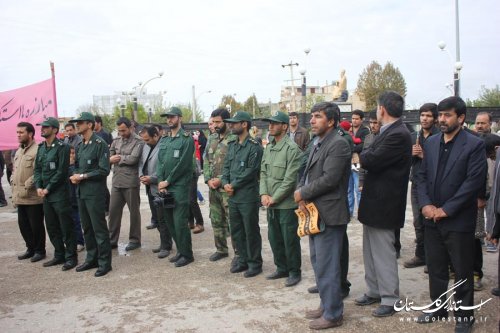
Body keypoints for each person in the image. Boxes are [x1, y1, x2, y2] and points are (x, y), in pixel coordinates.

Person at [416, 96, 487, 332]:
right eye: (441, 115)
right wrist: (426, 205)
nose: (442, 119)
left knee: (462, 270)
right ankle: (438, 308)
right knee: (435, 268)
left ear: (461, 117)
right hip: (432, 219)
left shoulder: (474, 145)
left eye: (448, 115)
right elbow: (421, 177)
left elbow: (472, 183)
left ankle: (464, 317)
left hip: (458, 220)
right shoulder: (432, 142)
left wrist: (446, 209)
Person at [295, 102, 351, 330]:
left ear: (331, 121)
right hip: (314, 212)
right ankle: (326, 305)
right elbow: (306, 173)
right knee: (319, 263)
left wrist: (302, 192)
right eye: (312, 116)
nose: (312, 120)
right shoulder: (318, 142)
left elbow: (330, 179)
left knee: (329, 266)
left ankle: (334, 314)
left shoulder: (338, 144)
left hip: (329, 213)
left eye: (318, 116)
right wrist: (301, 190)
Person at [355, 91, 412, 318]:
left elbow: (370, 158)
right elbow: (368, 153)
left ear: (382, 110)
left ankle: (390, 297)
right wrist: (366, 153)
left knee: (383, 252)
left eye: (377, 108)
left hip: (385, 203)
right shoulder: (388, 132)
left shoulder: (398, 134)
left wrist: (365, 154)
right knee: (369, 250)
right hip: (374, 202)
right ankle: (374, 290)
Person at [260, 111, 302, 287]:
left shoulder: (292, 150)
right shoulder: (269, 148)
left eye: (275, 123)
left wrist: (274, 198)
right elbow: (263, 173)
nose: (270, 126)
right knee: (274, 237)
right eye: (270, 123)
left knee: (289, 239)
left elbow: (290, 180)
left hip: (285, 204)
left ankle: (294, 271)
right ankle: (281, 267)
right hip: (270, 203)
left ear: (284, 126)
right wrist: (263, 194)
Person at [69, 112, 112, 277]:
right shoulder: (80, 145)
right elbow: (78, 166)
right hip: (81, 192)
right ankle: (91, 258)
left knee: (99, 229)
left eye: (80, 123)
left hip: (94, 193)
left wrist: (83, 176)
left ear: (89, 124)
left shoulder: (100, 143)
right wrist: (76, 174)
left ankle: (104, 263)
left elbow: (104, 170)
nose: (77, 125)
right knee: (86, 228)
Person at [222, 111, 263, 277]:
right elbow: (226, 168)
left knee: (250, 230)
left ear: (244, 124)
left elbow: (251, 171)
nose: (231, 125)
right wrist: (225, 183)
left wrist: (233, 184)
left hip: (247, 197)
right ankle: (243, 260)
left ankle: (255, 263)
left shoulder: (254, 147)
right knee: (237, 231)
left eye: (235, 123)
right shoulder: (232, 145)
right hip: (233, 197)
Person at [34, 117, 77, 271]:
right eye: (42, 127)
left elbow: (61, 172)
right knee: (51, 227)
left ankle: (71, 257)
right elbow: (37, 169)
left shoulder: (62, 147)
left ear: (54, 129)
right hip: (46, 194)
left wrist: (48, 188)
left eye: (46, 127)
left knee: (66, 227)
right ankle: (59, 255)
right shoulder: (41, 147)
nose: (42, 129)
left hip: (59, 194)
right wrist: (38, 186)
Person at [157, 107, 195, 267]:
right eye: (167, 118)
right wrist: (160, 181)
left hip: (179, 186)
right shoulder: (165, 140)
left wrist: (169, 181)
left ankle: (187, 254)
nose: (169, 120)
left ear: (179, 118)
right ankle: (180, 250)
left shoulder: (187, 139)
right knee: (170, 220)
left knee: (180, 221)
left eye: (172, 117)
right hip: (165, 186)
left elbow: (184, 164)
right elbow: (161, 162)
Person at [404, 103, 440, 269]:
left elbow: (441, 163)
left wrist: (423, 155)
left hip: (434, 184)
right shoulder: (414, 136)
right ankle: (421, 255)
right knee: (418, 221)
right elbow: (406, 162)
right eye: (422, 115)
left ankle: (434, 258)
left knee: (431, 221)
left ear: (435, 118)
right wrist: (411, 155)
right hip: (417, 183)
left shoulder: (439, 136)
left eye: (428, 116)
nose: (425, 119)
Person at [204, 108, 239, 263]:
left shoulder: (234, 139)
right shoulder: (211, 138)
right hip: (213, 188)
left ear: (226, 121)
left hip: (227, 188)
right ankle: (221, 249)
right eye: (214, 122)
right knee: (216, 220)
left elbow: (235, 165)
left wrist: (221, 179)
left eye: (218, 122)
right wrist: (207, 179)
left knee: (232, 221)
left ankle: (238, 253)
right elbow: (206, 160)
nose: (216, 125)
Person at [108, 117, 144, 251]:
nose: (121, 133)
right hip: (117, 181)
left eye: (123, 130)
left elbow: (133, 159)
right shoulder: (116, 140)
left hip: (131, 182)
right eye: (119, 131)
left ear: (131, 127)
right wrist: (114, 158)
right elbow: (109, 157)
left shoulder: (138, 141)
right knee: (113, 212)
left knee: (134, 213)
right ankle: (112, 240)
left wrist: (118, 158)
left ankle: (135, 240)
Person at [12, 122, 46, 262]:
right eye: (17, 132)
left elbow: (41, 170)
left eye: (21, 132)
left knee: (36, 225)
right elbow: (16, 169)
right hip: (20, 196)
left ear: (30, 134)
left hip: (32, 196)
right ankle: (30, 248)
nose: (18, 135)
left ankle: (39, 250)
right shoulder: (19, 150)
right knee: (23, 225)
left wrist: (29, 183)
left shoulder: (38, 150)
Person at [139, 126, 173, 258]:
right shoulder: (146, 146)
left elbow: (166, 167)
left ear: (155, 135)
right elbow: (141, 163)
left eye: (147, 139)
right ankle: (164, 243)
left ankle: (166, 246)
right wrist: (141, 175)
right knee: (157, 219)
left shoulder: (164, 146)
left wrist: (152, 178)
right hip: (149, 187)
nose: (145, 142)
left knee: (163, 219)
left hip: (159, 187)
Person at [348, 110, 369, 217]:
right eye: (353, 118)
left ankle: (362, 212)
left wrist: (350, 148)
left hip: (358, 162)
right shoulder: (348, 130)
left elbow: (363, 145)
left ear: (361, 120)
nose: (354, 121)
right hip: (347, 162)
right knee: (348, 189)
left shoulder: (365, 131)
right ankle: (349, 212)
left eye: (356, 119)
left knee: (358, 188)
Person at [94, 115, 112, 216]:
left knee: (103, 185)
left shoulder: (105, 134)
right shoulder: (93, 134)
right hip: (95, 164)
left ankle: (107, 207)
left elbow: (109, 148)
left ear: (99, 123)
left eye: (94, 122)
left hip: (104, 163)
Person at [68, 146, 85, 252]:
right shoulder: (63, 165)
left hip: (78, 197)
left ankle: (80, 241)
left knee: (78, 220)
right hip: (68, 198)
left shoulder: (77, 166)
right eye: (70, 153)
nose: (72, 155)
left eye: (73, 153)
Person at [188, 131, 205, 234]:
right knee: (187, 200)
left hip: (192, 173)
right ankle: (190, 221)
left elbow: (194, 160)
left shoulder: (190, 143)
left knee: (192, 199)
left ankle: (200, 223)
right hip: (184, 175)